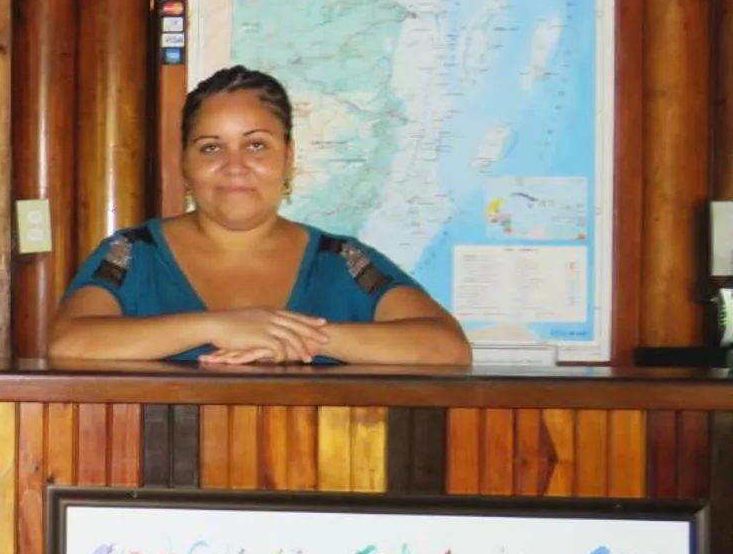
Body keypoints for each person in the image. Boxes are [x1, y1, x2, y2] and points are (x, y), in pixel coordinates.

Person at [49, 66, 472, 367]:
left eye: (256, 146)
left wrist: (290, 338)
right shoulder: (132, 253)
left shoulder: (340, 260)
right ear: (185, 163)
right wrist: (217, 327)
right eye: (211, 147)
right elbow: (70, 342)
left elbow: (447, 347)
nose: (235, 166)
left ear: (288, 158)